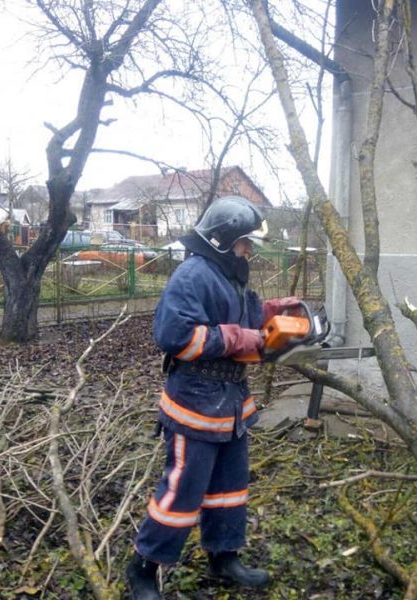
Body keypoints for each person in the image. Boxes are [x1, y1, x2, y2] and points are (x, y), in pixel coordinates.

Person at [126, 196, 300, 600]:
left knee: (229, 486)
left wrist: (281, 313)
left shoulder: (230, 276)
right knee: (183, 488)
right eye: (244, 243)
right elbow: (175, 337)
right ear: (223, 239)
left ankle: (224, 557)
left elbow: (248, 316)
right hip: (196, 402)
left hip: (230, 402)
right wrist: (240, 337)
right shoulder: (192, 275)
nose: (249, 251)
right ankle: (144, 567)